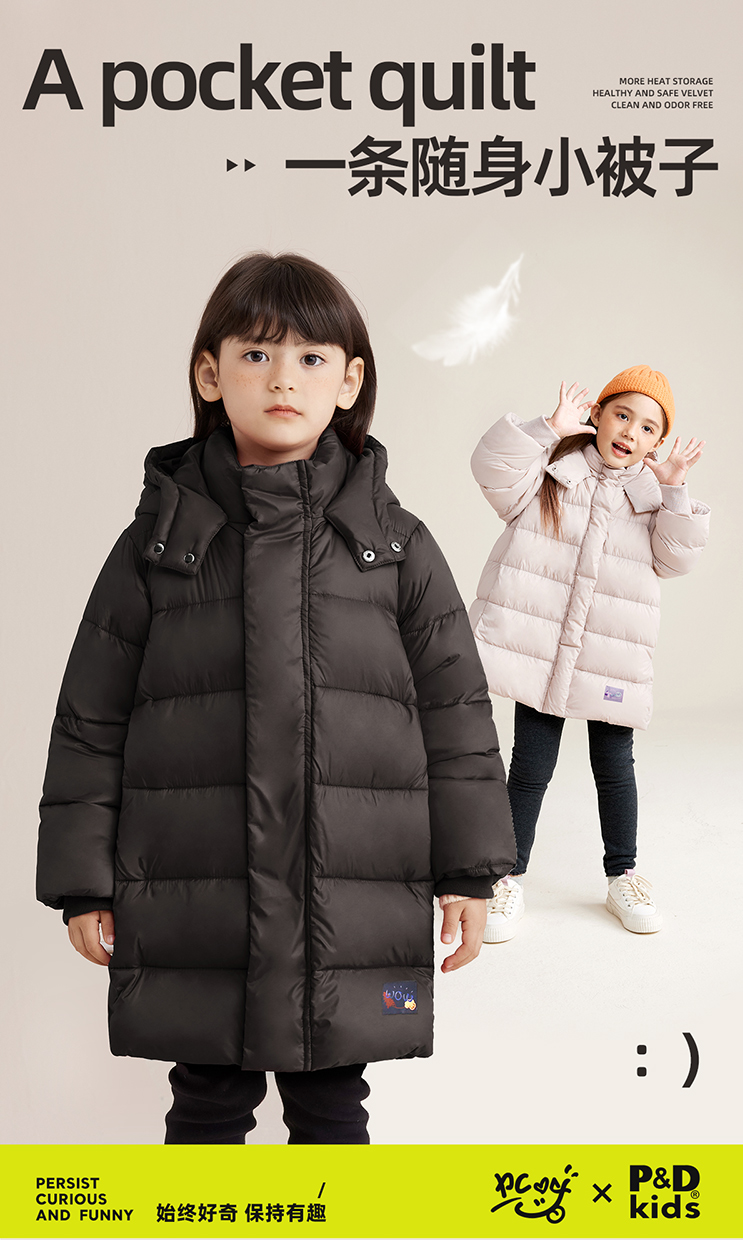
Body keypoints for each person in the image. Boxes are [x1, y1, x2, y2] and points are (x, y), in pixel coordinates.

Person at [36, 252, 515, 1144]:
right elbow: (90, 722)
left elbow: (457, 717)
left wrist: (468, 872)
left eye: (310, 357)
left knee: (333, 1111)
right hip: (196, 899)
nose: (283, 379)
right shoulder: (155, 550)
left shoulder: (395, 549)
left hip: (352, 902)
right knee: (207, 1106)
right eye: (256, 355)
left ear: (349, 382)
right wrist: (82, 884)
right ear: (209, 375)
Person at [469, 366, 709, 942]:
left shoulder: (652, 500)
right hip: (546, 654)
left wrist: (675, 490)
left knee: (614, 766)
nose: (630, 432)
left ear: (658, 441)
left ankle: (623, 875)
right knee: (530, 766)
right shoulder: (552, 474)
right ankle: (506, 876)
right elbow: (491, 470)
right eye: (622, 415)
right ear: (597, 415)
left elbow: (677, 560)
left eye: (648, 427)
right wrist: (546, 429)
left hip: (610, 657)